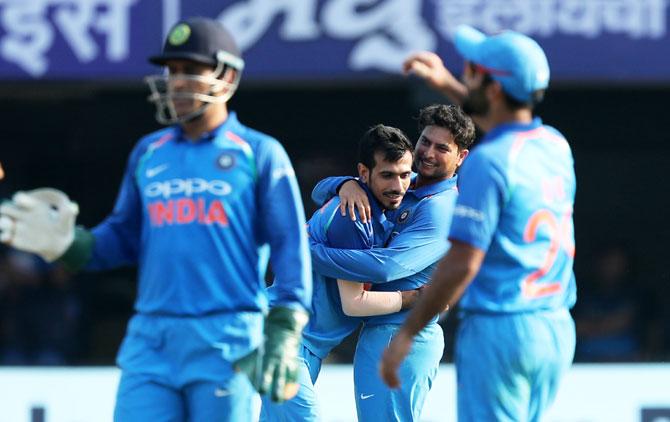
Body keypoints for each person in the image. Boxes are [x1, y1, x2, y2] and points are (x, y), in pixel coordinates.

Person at [0, 17, 311, 422]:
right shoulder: (150, 152)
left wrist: (286, 324)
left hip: (227, 339)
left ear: (228, 75)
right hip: (151, 339)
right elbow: (123, 237)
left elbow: (290, 243)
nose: (176, 82)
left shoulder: (258, 153)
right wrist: (69, 245)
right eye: (171, 71)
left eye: (189, 70)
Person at [381, 25, 577, 422]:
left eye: (473, 70)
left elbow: (463, 262)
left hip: (501, 329)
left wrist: (407, 332)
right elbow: (502, 122)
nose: (466, 74)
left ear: (492, 89)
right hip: (554, 327)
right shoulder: (555, 144)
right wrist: (449, 85)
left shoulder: (489, 161)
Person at [310, 104, 474, 421]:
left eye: (442, 148)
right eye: (425, 141)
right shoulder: (407, 181)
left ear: (461, 157)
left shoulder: (441, 209)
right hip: (381, 331)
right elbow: (321, 191)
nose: (428, 153)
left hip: (404, 334)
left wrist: (308, 256)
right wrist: (346, 185)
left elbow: (384, 268)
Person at [261, 123, 420, 421]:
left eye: (404, 175)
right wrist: (415, 298)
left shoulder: (359, 200)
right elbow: (354, 302)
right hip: (287, 343)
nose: (398, 186)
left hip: (295, 343)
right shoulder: (355, 218)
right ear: (363, 172)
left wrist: (339, 183)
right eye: (387, 175)